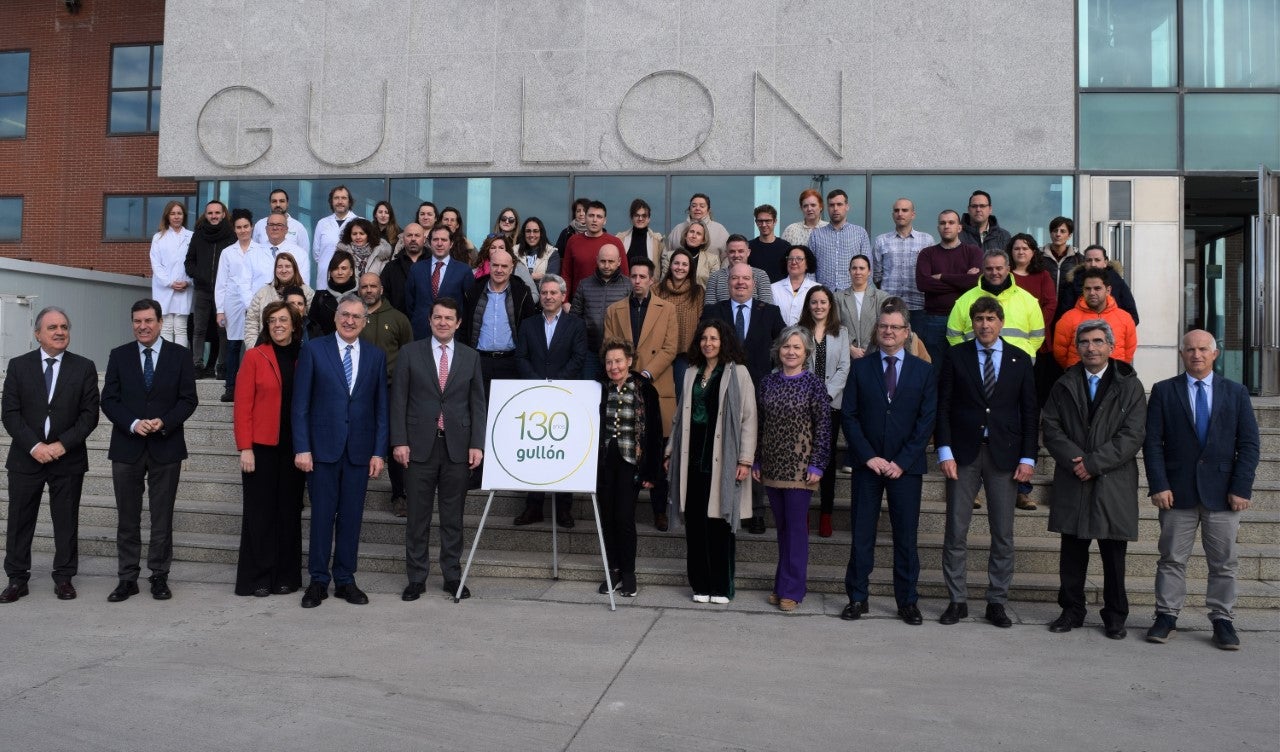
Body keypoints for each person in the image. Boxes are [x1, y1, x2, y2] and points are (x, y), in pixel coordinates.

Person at [1144, 330, 1260, 650]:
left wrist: (1241, 487)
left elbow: (1249, 445)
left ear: (1215, 354)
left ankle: (1222, 619)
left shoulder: (1235, 393)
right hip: (1176, 492)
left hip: (1223, 494)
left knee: (1223, 561)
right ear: (1182, 354)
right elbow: (1152, 443)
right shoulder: (1165, 391)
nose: (1196, 354)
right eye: (1190, 349)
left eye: (1203, 349)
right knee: (1171, 559)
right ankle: (1166, 616)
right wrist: (1159, 484)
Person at [935, 297, 1039, 628]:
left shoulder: (1020, 360)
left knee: (1003, 533)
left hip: (1005, 456)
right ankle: (957, 600)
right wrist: (944, 450)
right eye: (979, 318)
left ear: (1001, 321)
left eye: (991, 318)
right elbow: (944, 406)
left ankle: (997, 601)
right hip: (963, 454)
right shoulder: (955, 356)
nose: (984, 324)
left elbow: (1030, 412)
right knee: (955, 530)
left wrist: (1028, 456)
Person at [1041, 319, 1146, 639]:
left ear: (1111, 347)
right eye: (1084, 342)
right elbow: (1051, 427)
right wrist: (1077, 461)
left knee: (1114, 556)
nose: (1091, 347)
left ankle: (1115, 615)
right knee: (1072, 552)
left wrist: (1094, 463)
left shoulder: (1129, 385)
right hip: (1074, 478)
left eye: (1098, 341)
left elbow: (1133, 435)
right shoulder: (1063, 384)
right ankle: (1071, 610)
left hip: (1112, 481)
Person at [840, 302, 936, 625]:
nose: (889, 332)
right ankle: (857, 597)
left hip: (905, 469)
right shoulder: (861, 368)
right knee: (862, 534)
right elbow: (850, 417)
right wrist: (869, 456)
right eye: (884, 327)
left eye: (895, 327)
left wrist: (902, 461)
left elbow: (926, 422)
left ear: (907, 333)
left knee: (906, 537)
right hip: (869, 465)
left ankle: (907, 601)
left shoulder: (923, 371)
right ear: (876, 330)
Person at [293, 293, 389, 608]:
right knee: (322, 516)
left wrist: (379, 452)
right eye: (344, 315)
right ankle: (318, 581)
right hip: (321, 451)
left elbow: (381, 410)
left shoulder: (375, 357)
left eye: (356, 317)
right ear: (335, 317)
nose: (349, 321)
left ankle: (345, 579)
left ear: (365, 321)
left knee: (351, 518)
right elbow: (300, 405)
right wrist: (302, 447)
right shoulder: (313, 350)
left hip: (359, 452)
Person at [100, 299, 199, 603]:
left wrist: (164, 422)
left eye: (148, 321)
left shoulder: (180, 356)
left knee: (162, 518)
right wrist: (132, 423)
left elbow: (188, 400)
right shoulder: (119, 355)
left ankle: (159, 576)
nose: (142, 326)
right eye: (137, 321)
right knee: (127, 518)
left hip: (165, 446)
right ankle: (127, 578)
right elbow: (109, 400)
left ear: (159, 322)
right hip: (127, 447)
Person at [1, 307, 99, 603]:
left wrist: (61, 445)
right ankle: (17, 579)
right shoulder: (18, 366)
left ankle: (64, 578)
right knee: (19, 519)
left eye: (64, 327)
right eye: (53, 327)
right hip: (25, 457)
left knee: (66, 519)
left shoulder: (84, 367)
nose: (60, 332)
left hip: (67, 458)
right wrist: (35, 446)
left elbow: (89, 415)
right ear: (37, 334)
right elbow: (10, 413)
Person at [391, 299, 486, 602]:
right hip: (419, 447)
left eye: (449, 318)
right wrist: (399, 441)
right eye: (438, 317)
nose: (443, 322)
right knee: (417, 517)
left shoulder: (471, 357)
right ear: (429, 320)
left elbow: (477, 404)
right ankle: (416, 578)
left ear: (459, 323)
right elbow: (399, 400)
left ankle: (452, 576)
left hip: (456, 447)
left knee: (452, 517)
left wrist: (477, 444)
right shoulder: (410, 353)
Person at [666, 319, 757, 604]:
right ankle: (700, 584)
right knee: (695, 523)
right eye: (704, 338)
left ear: (724, 341)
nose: (708, 343)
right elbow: (680, 415)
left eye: (714, 338)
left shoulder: (738, 373)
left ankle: (720, 585)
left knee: (718, 524)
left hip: (723, 460)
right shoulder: (691, 372)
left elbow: (748, 417)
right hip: (691, 461)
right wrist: (670, 450)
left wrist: (745, 459)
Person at [701, 262, 786, 535]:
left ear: (754, 282)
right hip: (720, 388)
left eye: (745, 279)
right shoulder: (715, 311)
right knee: (721, 446)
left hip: (760, 390)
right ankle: (720, 504)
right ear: (728, 282)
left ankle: (756, 511)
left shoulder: (770, 312)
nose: (740, 283)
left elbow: (784, 345)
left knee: (754, 448)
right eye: (735, 278)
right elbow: (704, 344)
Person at [753, 327, 830, 612]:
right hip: (773, 466)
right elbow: (760, 426)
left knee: (796, 530)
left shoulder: (813, 384)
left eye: (797, 347)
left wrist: (818, 464)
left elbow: (823, 427)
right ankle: (781, 584)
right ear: (778, 350)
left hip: (801, 468)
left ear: (806, 353)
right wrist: (757, 460)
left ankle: (793, 590)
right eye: (786, 347)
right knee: (782, 529)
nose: (791, 352)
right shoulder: (767, 384)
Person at [233, 301, 304, 597]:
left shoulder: (305, 356)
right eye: (272, 320)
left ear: (294, 324)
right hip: (261, 449)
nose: (278, 325)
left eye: (283, 319)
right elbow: (242, 406)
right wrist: (245, 448)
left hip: (295, 449)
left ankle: (286, 576)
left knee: (289, 513)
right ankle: (259, 577)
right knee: (259, 515)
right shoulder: (254, 356)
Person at [604, 257, 679, 530]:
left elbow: (671, 347)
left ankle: (659, 510)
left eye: (642, 276)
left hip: (656, 384)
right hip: (625, 386)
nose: (637, 281)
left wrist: (646, 374)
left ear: (651, 279)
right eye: (633, 276)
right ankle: (629, 510)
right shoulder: (615, 310)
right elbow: (609, 344)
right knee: (629, 449)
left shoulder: (667, 309)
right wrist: (628, 374)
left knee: (656, 450)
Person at [513, 274, 588, 528]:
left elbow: (578, 359)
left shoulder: (575, 325)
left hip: (564, 397)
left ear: (563, 295)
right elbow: (521, 357)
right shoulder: (528, 324)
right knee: (536, 452)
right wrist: (538, 383)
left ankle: (563, 508)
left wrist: (554, 384)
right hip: (534, 397)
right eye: (544, 292)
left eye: (553, 293)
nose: (548, 296)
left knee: (561, 452)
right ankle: (533, 506)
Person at [596, 339, 665, 598]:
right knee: (607, 518)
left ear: (629, 361)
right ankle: (612, 570)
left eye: (618, 361)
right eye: (609, 362)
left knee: (624, 518)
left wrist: (651, 471)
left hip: (630, 463)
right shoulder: (600, 389)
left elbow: (655, 432)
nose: (614, 367)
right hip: (604, 464)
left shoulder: (645, 389)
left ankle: (628, 573)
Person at [356, 273, 415, 517]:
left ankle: (399, 495)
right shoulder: (354, 318)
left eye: (373, 286)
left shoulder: (398, 319)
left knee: (394, 443)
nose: (369, 290)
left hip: (391, 389)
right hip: (360, 390)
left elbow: (408, 355)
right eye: (364, 287)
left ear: (381, 289)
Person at [797, 286, 849, 538]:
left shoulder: (842, 332)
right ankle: (803, 512)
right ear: (808, 305)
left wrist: (825, 395)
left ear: (830, 305)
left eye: (823, 302)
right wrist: (807, 396)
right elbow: (793, 362)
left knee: (825, 461)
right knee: (803, 457)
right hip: (801, 404)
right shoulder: (799, 332)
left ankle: (826, 514)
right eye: (814, 302)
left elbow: (843, 368)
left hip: (830, 404)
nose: (818, 306)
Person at [215, 209, 274, 402]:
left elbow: (267, 278)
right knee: (233, 345)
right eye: (239, 227)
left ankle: (254, 385)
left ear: (252, 227)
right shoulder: (227, 252)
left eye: (246, 226)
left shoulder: (263, 251)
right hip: (232, 302)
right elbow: (221, 283)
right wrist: (220, 310)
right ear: (234, 229)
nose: (243, 231)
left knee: (255, 344)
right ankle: (231, 387)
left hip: (256, 301)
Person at [461, 245, 538, 393]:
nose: (499, 270)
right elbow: (464, 327)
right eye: (495, 265)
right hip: (479, 361)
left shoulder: (522, 292)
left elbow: (530, 330)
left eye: (504, 266)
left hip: (511, 361)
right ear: (489, 266)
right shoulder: (474, 291)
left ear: (511, 268)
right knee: (480, 408)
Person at [945, 249, 1046, 361]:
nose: (994, 273)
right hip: (975, 365)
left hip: (1017, 365)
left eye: (999, 268)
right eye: (989, 269)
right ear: (983, 270)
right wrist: (967, 357)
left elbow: (1037, 337)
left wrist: (1023, 357)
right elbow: (953, 335)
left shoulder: (1028, 300)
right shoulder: (964, 300)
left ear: (1008, 269)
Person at [915, 210, 983, 366]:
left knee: (965, 368)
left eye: (951, 222)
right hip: (935, 320)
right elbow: (923, 284)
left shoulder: (973, 251)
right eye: (942, 223)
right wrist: (962, 281)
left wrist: (943, 277)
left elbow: (975, 282)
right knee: (934, 369)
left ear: (959, 227)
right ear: (938, 227)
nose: (947, 226)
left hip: (967, 319)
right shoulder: (927, 254)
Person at [184, 200, 235, 377]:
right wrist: (199, 276)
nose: (214, 216)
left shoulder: (231, 235)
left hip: (223, 292)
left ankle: (221, 366)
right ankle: (196, 365)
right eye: (210, 213)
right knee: (199, 329)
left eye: (217, 213)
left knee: (222, 330)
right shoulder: (198, 235)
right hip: (202, 290)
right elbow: (189, 261)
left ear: (223, 214)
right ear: (205, 215)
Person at [1053, 267, 1138, 368]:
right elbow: (1060, 353)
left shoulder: (1125, 318)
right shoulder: (1068, 318)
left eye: (1097, 288)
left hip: (1115, 378)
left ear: (1108, 290)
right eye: (1087, 289)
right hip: (1078, 378)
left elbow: (1129, 351)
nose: (1092, 293)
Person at [570, 243, 632, 379]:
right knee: (590, 393)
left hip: (619, 354)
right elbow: (574, 318)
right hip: (590, 352)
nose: (606, 265)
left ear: (619, 262)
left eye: (611, 261)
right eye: (603, 261)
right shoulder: (584, 285)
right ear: (597, 260)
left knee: (617, 395)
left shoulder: (628, 286)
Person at [652, 248, 704, 401]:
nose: (680, 267)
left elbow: (701, 322)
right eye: (676, 263)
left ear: (690, 268)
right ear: (670, 265)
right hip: (660, 351)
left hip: (685, 354)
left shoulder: (698, 292)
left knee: (682, 396)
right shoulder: (656, 290)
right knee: (659, 396)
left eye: (684, 264)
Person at [406, 223, 473, 340]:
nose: (439, 243)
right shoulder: (416, 269)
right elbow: (409, 303)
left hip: (452, 335)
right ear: (429, 243)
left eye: (444, 240)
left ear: (451, 243)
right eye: (435, 239)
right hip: (421, 333)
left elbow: (469, 306)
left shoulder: (464, 270)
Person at [872, 198, 933, 314]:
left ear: (913, 214)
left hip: (918, 305)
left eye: (904, 210)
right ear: (892, 214)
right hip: (889, 304)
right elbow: (877, 275)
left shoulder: (927, 240)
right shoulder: (881, 240)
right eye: (896, 210)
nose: (900, 214)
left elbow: (930, 274)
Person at [1055, 244, 1140, 325]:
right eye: (1089, 260)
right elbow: (1063, 316)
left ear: (1105, 262)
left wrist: (1111, 331)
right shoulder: (1073, 282)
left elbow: (1132, 316)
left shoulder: (1117, 282)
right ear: (1084, 262)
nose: (1093, 264)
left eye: (1097, 260)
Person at [243, 252, 314, 349]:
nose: (284, 270)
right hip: (265, 348)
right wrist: (254, 349)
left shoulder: (307, 292)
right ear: (275, 270)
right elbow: (251, 322)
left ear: (294, 269)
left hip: (298, 349)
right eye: (280, 266)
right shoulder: (262, 293)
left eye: (288, 266)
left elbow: (313, 323)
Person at [149, 200, 194, 347]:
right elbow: (156, 264)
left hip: (184, 287)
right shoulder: (158, 237)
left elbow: (194, 262)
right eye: (173, 213)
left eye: (179, 213)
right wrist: (169, 282)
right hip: (164, 289)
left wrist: (187, 281)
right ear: (167, 216)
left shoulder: (191, 237)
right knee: (166, 327)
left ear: (184, 216)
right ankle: (167, 361)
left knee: (181, 328)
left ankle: (180, 363)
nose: (176, 217)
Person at [808, 189, 871, 292]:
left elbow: (868, 267)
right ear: (827, 208)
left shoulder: (860, 233)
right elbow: (810, 269)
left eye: (839, 204)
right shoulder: (816, 235)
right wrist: (815, 291)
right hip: (824, 296)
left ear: (847, 207)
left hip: (852, 294)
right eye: (831, 205)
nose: (835, 208)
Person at [562, 200, 627, 299]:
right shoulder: (573, 241)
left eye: (599, 217)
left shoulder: (615, 242)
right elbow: (566, 274)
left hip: (610, 302)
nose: (594, 220)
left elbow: (625, 276)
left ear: (605, 221)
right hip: (578, 303)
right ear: (585, 217)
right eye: (591, 215)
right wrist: (565, 301)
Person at [834, 254, 889, 364]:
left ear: (869, 271)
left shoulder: (882, 297)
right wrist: (850, 348)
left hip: (875, 354)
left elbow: (883, 325)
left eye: (862, 268)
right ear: (849, 271)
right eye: (854, 268)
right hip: (846, 357)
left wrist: (870, 349)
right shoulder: (837, 297)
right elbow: (834, 326)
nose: (858, 272)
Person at [704, 234, 773, 306]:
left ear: (748, 252)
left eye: (740, 251)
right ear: (726, 253)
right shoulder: (715, 278)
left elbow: (767, 309)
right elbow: (709, 310)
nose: (736, 255)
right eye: (732, 251)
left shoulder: (761, 275)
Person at [312, 185, 358, 291]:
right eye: (336, 198)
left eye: (343, 198)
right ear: (331, 201)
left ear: (349, 202)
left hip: (351, 284)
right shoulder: (322, 223)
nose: (340, 201)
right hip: (324, 284)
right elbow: (317, 254)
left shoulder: (359, 222)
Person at [308, 251, 357, 338]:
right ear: (330, 272)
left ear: (351, 272)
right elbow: (312, 328)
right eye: (335, 268)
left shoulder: (360, 296)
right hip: (325, 348)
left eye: (344, 268)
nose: (339, 272)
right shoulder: (320, 296)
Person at [381, 222, 427, 314]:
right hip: (398, 323)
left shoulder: (435, 265)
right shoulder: (391, 267)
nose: (413, 239)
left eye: (417, 235)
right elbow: (383, 297)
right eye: (409, 235)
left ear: (424, 239)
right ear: (403, 239)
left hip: (429, 323)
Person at [668, 193, 730, 259]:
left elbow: (727, 257)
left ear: (708, 210)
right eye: (694, 206)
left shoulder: (719, 230)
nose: (697, 208)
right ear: (689, 209)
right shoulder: (677, 229)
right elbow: (667, 255)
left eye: (702, 206)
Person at [261, 209, 312, 289]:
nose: (275, 228)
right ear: (266, 229)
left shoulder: (300, 254)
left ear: (286, 230)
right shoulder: (253, 253)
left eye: (279, 225)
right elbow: (245, 283)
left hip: (289, 300)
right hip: (259, 300)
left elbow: (304, 285)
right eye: (271, 224)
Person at [252, 188, 311, 256]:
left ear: (287, 203)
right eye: (274, 201)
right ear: (270, 204)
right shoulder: (260, 225)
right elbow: (255, 252)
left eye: (282, 201)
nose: (278, 205)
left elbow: (304, 254)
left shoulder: (298, 227)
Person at [770, 245, 819, 326]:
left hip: (808, 337)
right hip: (780, 337)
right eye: (790, 259)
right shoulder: (773, 288)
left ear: (807, 263)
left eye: (799, 259)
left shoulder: (817, 289)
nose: (793, 262)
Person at [661, 221, 718, 288]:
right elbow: (663, 282)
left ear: (703, 240)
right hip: (672, 297)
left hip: (702, 297)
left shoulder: (712, 260)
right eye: (691, 232)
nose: (694, 236)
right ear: (685, 235)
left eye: (698, 234)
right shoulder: (669, 256)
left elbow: (714, 288)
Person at [512, 216, 560, 289]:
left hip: (543, 297)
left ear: (541, 233)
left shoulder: (552, 252)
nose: (531, 235)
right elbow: (511, 276)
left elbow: (551, 279)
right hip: (519, 294)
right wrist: (535, 276)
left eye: (535, 231)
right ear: (523, 233)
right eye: (528, 231)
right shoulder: (514, 251)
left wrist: (523, 276)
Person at [617, 198, 665, 269]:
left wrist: (658, 280)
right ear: (631, 218)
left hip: (651, 280)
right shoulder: (620, 239)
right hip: (625, 280)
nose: (640, 219)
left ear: (649, 219)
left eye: (644, 216)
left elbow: (664, 266)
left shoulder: (658, 241)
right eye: (637, 215)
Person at [749, 204, 791, 283]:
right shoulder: (749, 247)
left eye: (768, 221)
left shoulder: (786, 247)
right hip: (756, 293)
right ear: (756, 222)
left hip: (780, 293)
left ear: (775, 221)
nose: (764, 225)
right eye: (760, 221)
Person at [1041, 216, 1082, 290]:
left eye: (1062, 231)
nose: (1058, 234)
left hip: (1069, 301)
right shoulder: (1039, 257)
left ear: (1069, 236)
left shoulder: (1078, 259)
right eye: (1055, 231)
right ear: (1050, 234)